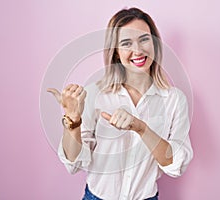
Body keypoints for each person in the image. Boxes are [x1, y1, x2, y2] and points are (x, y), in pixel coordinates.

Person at [47, 7, 193, 200]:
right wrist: (73, 121)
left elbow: (176, 165)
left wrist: (141, 128)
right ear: (116, 52)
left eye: (144, 39)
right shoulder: (94, 94)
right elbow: (73, 164)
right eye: (126, 43)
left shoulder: (174, 100)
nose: (138, 50)